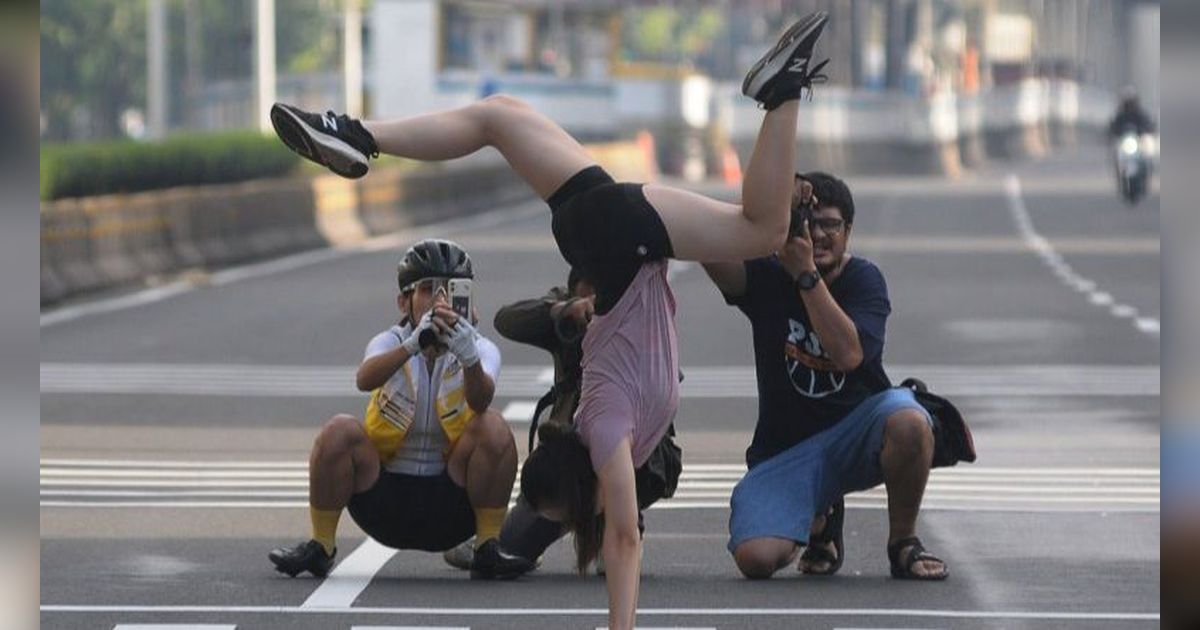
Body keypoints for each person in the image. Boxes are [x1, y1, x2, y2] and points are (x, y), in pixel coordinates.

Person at [269, 12, 829, 628]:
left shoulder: (606, 423)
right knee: (498, 116)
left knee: (759, 228)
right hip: (603, 233)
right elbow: (618, 527)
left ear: (591, 468)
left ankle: (781, 92)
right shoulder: (611, 424)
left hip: (618, 239)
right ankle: (352, 134)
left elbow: (622, 538)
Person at [701, 172, 949, 581]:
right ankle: (820, 521)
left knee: (909, 420)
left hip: (856, 434)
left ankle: (903, 542)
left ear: (847, 231)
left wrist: (806, 276)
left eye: (830, 225)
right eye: (807, 224)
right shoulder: (765, 274)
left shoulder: (864, 281)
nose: (818, 235)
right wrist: (766, 208)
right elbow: (710, 246)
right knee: (756, 559)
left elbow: (849, 354)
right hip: (785, 452)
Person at [267, 238, 535, 581]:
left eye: (450, 291)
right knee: (339, 429)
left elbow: (480, 401)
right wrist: (412, 346)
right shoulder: (391, 342)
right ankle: (321, 546)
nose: (440, 301)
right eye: (427, 290)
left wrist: (468, 358)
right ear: (404, 301)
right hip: (384, 499)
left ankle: (485, 547)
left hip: (450, 503)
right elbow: (364, 379)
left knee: (494, 426)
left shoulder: (479, 348)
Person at [441, 269, 682, 573]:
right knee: (506, 550)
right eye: (589, 296)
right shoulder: (569, 317)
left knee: (616, 554)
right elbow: (507, 319)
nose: (596, 304)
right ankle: (574, 524)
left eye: (603, 296)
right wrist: (564, 312)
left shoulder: (644, 312)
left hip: (636, 457)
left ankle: (622, 523)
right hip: (567, 468)